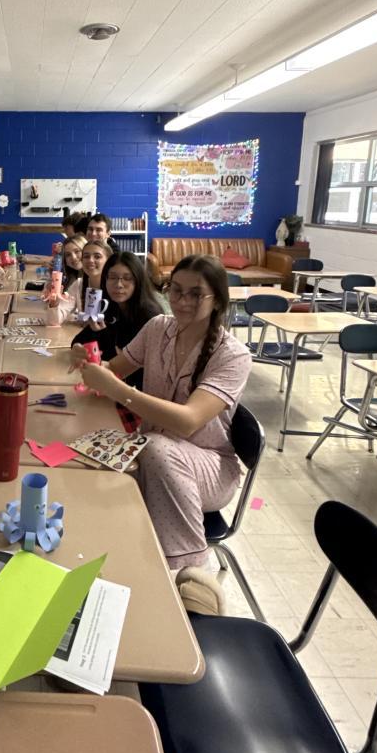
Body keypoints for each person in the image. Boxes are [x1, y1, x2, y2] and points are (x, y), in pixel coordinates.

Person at [70, 255, 250, 612]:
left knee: (155, 447)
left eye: (195, 294)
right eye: (176, 290)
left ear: (217, 300)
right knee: (93, 478)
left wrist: (120, 390)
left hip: (210, 468)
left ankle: (193, 573)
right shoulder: (158, 329)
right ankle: (120, 567)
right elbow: (115, 370)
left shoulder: (233, 355)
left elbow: (188, 421)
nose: (182, 301)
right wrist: (90, 365)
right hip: (152, 451)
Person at [71, 252, 162, 380]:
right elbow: (79, 340)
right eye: (112, 277)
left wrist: (102, 336)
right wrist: (78, 348)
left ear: (138, 281)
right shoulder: (109, 306)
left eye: (127, 278)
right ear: (105, 279)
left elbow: (125, 369)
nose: (119, 284)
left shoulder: (149, 317)